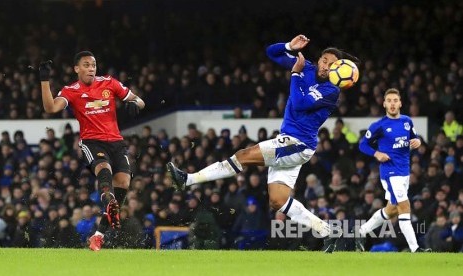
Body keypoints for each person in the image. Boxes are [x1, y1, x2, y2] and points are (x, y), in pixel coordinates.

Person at [168, 34, 358, 252]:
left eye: (332, 65)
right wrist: (289, 46)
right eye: (325, 61)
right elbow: (271, 53)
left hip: (299, 143)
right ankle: (328, 231)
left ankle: (188, 180)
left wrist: (295, 73)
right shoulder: (308, 68)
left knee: (243, 155)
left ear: (339, 70)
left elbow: (299, 103)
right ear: (320, 60)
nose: (327, 66)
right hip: (291, 143)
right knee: (278, 201)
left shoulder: (331, 91)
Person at [39, 51, 145, 251]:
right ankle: (109, 201)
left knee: (123, 183)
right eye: (86, 65)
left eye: (93, 65)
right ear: (76, 69)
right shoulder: (71, 90)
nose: (91, 68)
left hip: (116, 141)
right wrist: (45, 80)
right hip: (92, 142)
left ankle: (97, 236)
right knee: (104, 169)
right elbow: (51, 108)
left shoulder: (109, 83)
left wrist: (133, 103)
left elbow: (140, 100)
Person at [357, 88, 431, 253]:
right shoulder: (379, 125)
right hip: (390, 173)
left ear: (400, 103)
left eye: (395, 100)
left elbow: (414, 138)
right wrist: (377, 153)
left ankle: (361, 232)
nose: (392, 104)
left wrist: (417, 141)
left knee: (390, 210)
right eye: (389, 101)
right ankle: (416, 249)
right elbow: (362, 144)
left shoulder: (407, 121)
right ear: (384, 104)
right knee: (405, 206)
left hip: (404, 171)